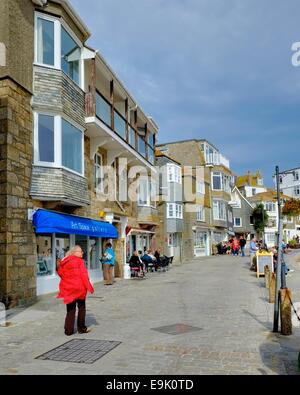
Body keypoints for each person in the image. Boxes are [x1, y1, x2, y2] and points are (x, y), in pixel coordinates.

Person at [57, 245, 94, 336]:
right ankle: (81, 328)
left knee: (70, 309)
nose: (82, 253)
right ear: (74, 252)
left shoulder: (65, 261)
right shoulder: (80, 261)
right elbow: (84, 275)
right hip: (79, 288)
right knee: (81, 308)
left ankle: (68, 331)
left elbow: (60, 273)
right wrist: (89, 287)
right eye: (80, 251)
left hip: (69, 288)